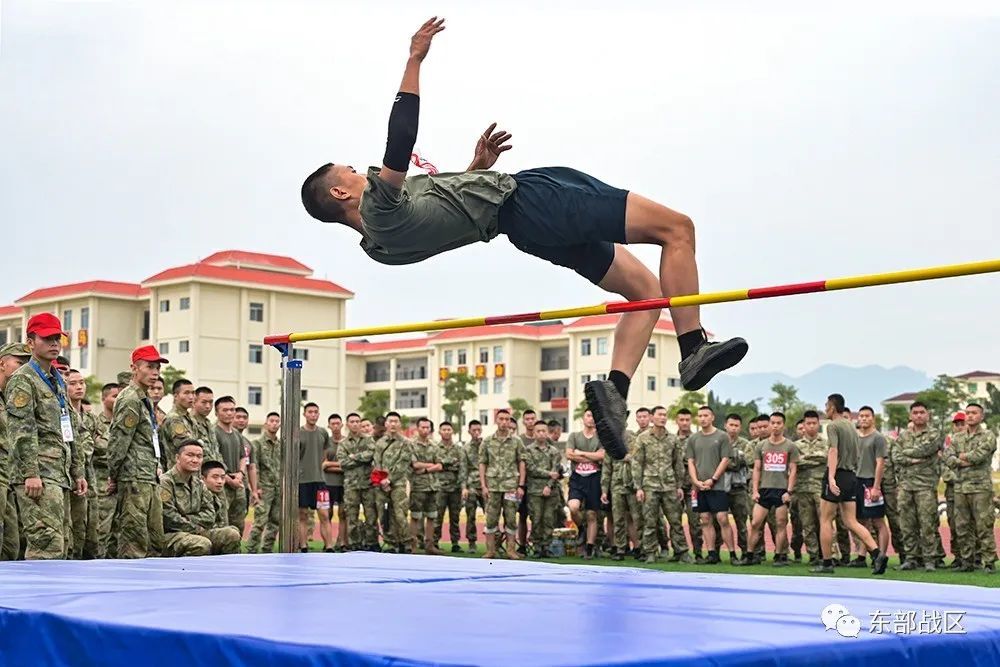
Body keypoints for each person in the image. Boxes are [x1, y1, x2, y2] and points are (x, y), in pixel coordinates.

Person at [299, 17, 748, 461]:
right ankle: (693, 347)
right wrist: (414, 59)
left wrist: (474, 168)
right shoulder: (379, 207)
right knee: (678, 228)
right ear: (340, 193)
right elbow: (400, 140)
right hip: (532, 201)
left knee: (646, 293)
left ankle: (616, 389)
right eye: (351, 172)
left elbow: (449, 218)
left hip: (525, 230)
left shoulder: (381, 247)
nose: (362, 172)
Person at [6, 314, 88, 560]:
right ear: (30, 342)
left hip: (58, 474)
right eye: (47, 338)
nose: (54, 343)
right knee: (45, 546)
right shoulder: (23, 379)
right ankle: (36, 599)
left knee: (62, 544)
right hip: (39, 475)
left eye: (57, 338)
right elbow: (22, 430)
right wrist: (31, 473)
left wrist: (77, 471)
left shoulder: (57, 380)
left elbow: (69, 427)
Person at [812, 393, 888, 575]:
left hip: (837, 474)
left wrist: (831, 478)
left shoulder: (833, 426)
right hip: (851, 476)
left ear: (832, 406)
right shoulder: (852, 427)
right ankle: (877, 553)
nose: (824, 409)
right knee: (851, 521)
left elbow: (833, 451)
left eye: (826, 405)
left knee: (825, 520)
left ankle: (827, 562)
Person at [107, 345, 168, 559]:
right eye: (149, 367)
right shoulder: (130, 398)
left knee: (154, 538)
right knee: (134, 539)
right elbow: (118, 441)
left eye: (158, 368)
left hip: (147, 474)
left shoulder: (143, 398)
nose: (155, 373)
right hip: (133, 477)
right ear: (134, 368)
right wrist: (113, 475)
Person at [160, 440, 241, 557]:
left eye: (199, 456)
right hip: (169, 536)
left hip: (195, 532)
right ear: (177, 458)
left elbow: (210, 515)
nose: (195, 460)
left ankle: (223, 573)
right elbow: (169, 518)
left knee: (231, 534)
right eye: (190, 455)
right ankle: (184, 574)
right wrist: (196, 527)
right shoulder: (165, 482)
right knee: (201, 544)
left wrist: (186, 518)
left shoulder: (199, 484)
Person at [633, 405, 691, 564]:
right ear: (652, 418)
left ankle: (682, 552)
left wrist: (679, 485)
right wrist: (638, 487)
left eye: (665, 415)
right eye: (660, 415)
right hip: (649, 486)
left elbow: (678, 464)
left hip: (669, 486)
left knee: (675, 521)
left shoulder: (672, 439)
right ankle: (650, 552)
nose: (663, 418)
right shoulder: (642, 438)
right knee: (650, 521)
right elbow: (637, 463)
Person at [943, 403, 997, 573]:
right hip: (960, 488)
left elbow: (980, 456)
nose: (970, 416)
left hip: (980, 488)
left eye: (974, 413)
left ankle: (988, 562)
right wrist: (964, 460)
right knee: (962, 526)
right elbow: (948, 457)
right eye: (968, 413)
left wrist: (960, 458)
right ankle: (967, 562)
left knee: (984, 526)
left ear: (981, 416)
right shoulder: (957, 437)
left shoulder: (988, 435)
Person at [890, 401, 943, 571]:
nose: (919, 415)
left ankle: (929, 559)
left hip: (925, 485)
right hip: (906, 485)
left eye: (922, 412)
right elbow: (895, 455)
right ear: (910, 415)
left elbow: (927, 450)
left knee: (927, 523)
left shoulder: (934, 434)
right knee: (906, 524)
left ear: (928, 415)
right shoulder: (904, 435)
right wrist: (913, 459)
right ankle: (911, 558)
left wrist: (907, 454)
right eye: (915, 412)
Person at [744, 412, 798, 567]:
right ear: (769, 425)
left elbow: (793, 470)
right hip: (764, 490)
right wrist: (755, 490)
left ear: (783, 425)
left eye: (778, 423)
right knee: (755, 523)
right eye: (772, 423)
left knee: (781, 524)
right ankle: (749, 555)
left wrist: (789, 491)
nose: (775, 426)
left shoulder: (790, 446)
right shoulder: (761, 446)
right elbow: (757, 469)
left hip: (781, 490)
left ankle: (779, 556)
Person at [685, 406, 736, 565]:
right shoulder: (693, 438)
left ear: (712, 417)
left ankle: (733, 554)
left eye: (706, 415)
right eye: (700, 416)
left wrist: (713, 479)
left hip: (718, 486)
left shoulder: (722, 436)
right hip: (699, 487)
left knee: (722, 518)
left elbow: (725, 459)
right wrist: (696, 481)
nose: (703, 418)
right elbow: (690, 461)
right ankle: (712, 553)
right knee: (705, 519)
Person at [479, 409, 526, 559]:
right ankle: (490, 550)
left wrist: (521, 485)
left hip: (511, 485)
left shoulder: (516, 441)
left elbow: (522, 462)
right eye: (501, 419)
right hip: (492, 485)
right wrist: (483, 485)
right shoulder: (487, 441)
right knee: (491, 518)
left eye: (507, 419)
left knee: (511, 518)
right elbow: (482, 463)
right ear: (496, 420)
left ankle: (510, 550)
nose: (504, 422)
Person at [0, 342, 31, 560]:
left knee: (11, 544)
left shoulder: (12, 398)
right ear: (2, 363)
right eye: (19, 362)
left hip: (10, 476)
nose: (23, 369)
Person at [66, 369, 99, 559]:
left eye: (81, 382)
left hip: (89, 478)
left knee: (90, 533)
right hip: (70, 476)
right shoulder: (62, 414)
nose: (79, 387)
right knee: (72, 530)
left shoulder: (90, 418)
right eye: (72, 383)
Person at [851, 406, 890, 566]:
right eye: (861, 416)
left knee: (878, 521)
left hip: (871, 481)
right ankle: (862, 556)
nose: (864, 418)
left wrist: (876, 486)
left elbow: (880, 463)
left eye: (867, 416)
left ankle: (882, 555)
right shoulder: (855, 437)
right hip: (857, 481)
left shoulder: (878, 438)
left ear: (873, 418)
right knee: (861, 521)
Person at [373, 412, 414, 553]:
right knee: (384, 514)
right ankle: (390, 543)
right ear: (386, 424)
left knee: (400, 514)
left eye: (396, 421)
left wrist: (389, 479)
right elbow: (377, 462)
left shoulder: (406, 443)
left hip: (398, 484)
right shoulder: (380, 443)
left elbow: (403, 464)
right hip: (381, 485)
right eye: (390, 421)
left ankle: (405, 543)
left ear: (400, 424)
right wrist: (382, 481)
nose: (393, 424)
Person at [566, 410, 605, 559]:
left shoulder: (601, 438)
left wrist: (580, 453)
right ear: (583, 418)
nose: (591, 419)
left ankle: (589, 547)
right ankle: (581, 528)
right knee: (574, 507)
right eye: (588, 416)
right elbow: (569, 454)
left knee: (591, 514)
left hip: (595, 478)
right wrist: (592, 457)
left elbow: (601, 456)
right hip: (577, 478)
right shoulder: (574, 436)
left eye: (594, 416)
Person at [791, 410, 828, 564]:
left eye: (814, 423)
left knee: (824, 522)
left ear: (818, 424)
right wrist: (815, 459)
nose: (811, 426)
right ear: (804, 425)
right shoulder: (795, 445)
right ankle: (813, 555)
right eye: (808, 423)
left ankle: (826, 555)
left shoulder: (826, 442)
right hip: (802, 489)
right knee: (808, 525)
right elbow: (795, 462)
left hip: (820, 488)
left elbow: (825, 457)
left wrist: (805, 458)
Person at [339, 412, 378, 552]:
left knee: (371, 515)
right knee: (352, 516)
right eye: (352, 421)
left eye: (357, 421)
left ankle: (372, 543)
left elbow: (371, 455)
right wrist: (362, 458)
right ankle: (354, 544)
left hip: (368, 484)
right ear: (348, 424)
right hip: (351, 485)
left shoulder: (369, 440)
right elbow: (343, 463)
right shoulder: (343, 443)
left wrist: (354, 456)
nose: (355, 424)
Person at [297, 402, 332, 552]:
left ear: (318, 414)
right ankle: (303, 546)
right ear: (304, 414)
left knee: (324, 514)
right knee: (302, 515)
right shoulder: (297, 433)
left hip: (320, 481)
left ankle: (329, 546)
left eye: (315, 412)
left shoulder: (323, 433)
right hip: (302, 481)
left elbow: (324, 454)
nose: (313, 415)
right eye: (310, 412)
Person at [524, 421, 561, 558]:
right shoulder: (528, 450)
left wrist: (549, 485)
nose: (541, 433)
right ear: (534, 433)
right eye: (538, 431)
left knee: (549, 519)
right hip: (534, 490)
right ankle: (537, 546)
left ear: (548, 433)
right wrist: (548, 474)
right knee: (536, 518)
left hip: (551, 490)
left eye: (544, 431)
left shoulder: (554, 451)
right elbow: (531, 469)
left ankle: (547, 546)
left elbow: (556, 470)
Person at [246, 412, 282, 554]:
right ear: (266, 424)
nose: (274, 423)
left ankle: (267, 550)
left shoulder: (281, 445)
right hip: (264, 488)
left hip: (278, 488)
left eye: (277, 421)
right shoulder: (257, 444)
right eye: (271, 421)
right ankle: (251, 551)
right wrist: (256, 488)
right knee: (260, 521)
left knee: (275, 521)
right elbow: (255, 466)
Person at [409, 417, 443, 555]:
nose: (425, 430)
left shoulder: (435, 446)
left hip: (433, 486)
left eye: (427, 427)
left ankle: (430, 546)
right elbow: (414, 465)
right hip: (418, 486)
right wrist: (431, 464)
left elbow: (440, 465)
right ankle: (413, 546)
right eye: (422, 427)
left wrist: (426, 469)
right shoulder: (411, 445)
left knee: (432, 516)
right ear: (417, 428)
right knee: (416, 516)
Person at [213, 396, 246, 534]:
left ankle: (236, 554)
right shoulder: (213, 432)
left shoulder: (237, 434)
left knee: (239, 524)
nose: (229, 413)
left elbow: (243, 456)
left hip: (237, 484)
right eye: (224, 410)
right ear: (216, 412)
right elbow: (213, 460)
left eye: (232, 410)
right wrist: (228, 479)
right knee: (223, 524)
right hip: (222, 485)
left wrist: (240, 474)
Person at [434, 421, 464, 553]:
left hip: (455, 487)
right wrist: (450, 463)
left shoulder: (459, 449)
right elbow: (436, 465)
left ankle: (455, 542)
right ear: (439, 432)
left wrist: (444, 465)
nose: (446, 432)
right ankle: (434, 542)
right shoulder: (435, 448)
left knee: (455, 517)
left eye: (449, 429)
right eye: (444, 429)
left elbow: (462, 467)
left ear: (453, 432)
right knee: (437, 516)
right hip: (439, 487)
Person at [460, 419, 484, 553]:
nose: (476, 432)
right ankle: (472, 542)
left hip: (486, 485)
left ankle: (494, 542)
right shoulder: (466, 449)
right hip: (472, 486)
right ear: (469, 431)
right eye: (474, 430)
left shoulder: (486, 445)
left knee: (491, 515)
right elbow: (463, 469)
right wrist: (464, 487)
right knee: (470, 516)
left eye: (478, 430)